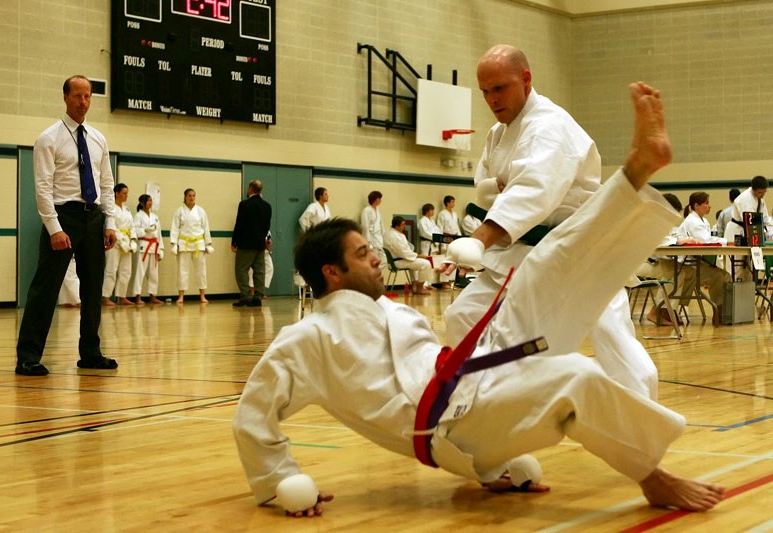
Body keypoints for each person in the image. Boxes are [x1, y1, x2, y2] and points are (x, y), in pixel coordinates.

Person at [233, 82, 725, 517]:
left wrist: (497, 461)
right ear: (331, 273)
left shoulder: (390, 311)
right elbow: (252, 413)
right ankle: (653, 477)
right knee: (576, 375)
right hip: (446, 421)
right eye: (364, 254)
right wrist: (280, 480)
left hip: (469, 382)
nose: (378, 259)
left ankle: (636, 171)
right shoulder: (307, 339)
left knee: (543, 272)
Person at [442, 44, 657, 401]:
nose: (492, 99)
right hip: (526, 252)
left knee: (615, 342)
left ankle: (646, 432)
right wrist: (492, 189)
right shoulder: (499, 132)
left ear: (526, 79)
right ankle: (492, 402)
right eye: (485, 91)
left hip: (581, 251)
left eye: (500, 88)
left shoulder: (550, 125)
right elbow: (487, 188)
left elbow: (532, 190)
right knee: (462, 317)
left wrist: (480, 239)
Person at [15, 75, 118, 376]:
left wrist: (109, 222)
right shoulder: (50, 138)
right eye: (77, 96)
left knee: (93, 288)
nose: (83, 101)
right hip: (64, 217)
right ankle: (28, 357)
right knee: (45, 289)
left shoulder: (98, 139)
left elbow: (106, 184)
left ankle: (90, 352)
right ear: (65, 97)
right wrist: (54, 228)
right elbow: (43, 188)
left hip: (93, 217)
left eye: (87, 96)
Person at [636, 193, 696, 325]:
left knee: (690, 271)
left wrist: (681, 240)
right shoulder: (650, 219)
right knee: (675, 273)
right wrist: (679, 241)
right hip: (640, 263)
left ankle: (671, 309)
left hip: (654, 260)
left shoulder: (662, 220)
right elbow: (660, 241)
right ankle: (656, 311)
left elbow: (670, 237)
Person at [678, 192, 732, 324]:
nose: (709, 206)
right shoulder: (693, 221)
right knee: (719, 276)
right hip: (687, 265)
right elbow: (706, 241)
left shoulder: (703, 221)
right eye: (706, 203)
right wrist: (726, 241)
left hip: (696, 262)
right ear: (697, 206)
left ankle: (722, 310)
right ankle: (719, 311)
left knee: (723, 275)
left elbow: (707, 239)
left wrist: (724, 241)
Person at [232, 180, 272, 307]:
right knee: (259, 271)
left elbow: (239, 224)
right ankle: (258, 296)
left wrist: (234, 241)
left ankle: (246, 296)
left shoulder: (244, 205)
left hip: (245, 243)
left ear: (250, 189)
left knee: (241, 270)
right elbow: (267, 226)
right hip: (259, 244)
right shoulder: (267, 206)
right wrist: (263, 240)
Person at [170, 188, 213, 304]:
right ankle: (181, 296)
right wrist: (174, 244)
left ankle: (202, 295)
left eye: (193, 195)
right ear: (185, 197)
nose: (191, 198)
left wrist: (208, 244)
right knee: (182, 270)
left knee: (201, 270)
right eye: (189, 195)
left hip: (199, 243)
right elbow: (175, 228)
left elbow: (206, 228)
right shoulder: (179, 211)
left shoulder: (200, 211)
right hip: (184, 243)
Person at [102, 183, 137, 306]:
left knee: (126, 271)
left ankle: (122, 296)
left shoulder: (126, 210)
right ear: (116, 193)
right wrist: (121, 240)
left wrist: (133, 240)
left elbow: (132, 226)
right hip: (114, 243)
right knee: (111, 270)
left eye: (127, 193)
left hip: (127, 243)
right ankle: (106, 297)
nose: (126, 196)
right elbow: (111, 226)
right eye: (124, 193)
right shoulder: (111, 208)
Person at [383, 216, 433, 295]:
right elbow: (403, 252)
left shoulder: (388, 233)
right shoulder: (394, 236)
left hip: (397, 259)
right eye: (403, 224)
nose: (405, 226)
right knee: (426, 263)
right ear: (396, 226)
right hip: (398, 261)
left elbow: (405, 250)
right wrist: (418, 255)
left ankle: (414, 286)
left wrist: (414, 255)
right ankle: (420, 288)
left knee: (413, 263)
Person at [132, 193, 164, 305]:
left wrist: (160, 250)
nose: (150, 202)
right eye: (148, 200)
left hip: (154, 246)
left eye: (151, 200)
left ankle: (153, 296)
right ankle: (137, 297)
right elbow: (135, 231)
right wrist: (145, 230)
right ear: (142, 203)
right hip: (143, 246)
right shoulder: (138, 216)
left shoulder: (155, 217)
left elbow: (158, 234)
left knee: (154, 273)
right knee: (140, 272)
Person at [360, 191, 386, 269]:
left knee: (384, 260)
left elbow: (381, 224)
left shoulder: (378, 210)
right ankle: (371, 274)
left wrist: (383, 236)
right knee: (372, 260)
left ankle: (373, 272)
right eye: (379, 199)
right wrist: (367, 241)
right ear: (375, 199)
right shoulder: (366, 210)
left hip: (379, 238)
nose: (381, 200)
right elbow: (365, 226)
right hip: (371, 238)